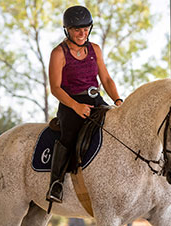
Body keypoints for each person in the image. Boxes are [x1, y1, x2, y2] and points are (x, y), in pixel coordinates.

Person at [46, 5, 123, 204]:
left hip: (96, 99)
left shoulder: (94, 49)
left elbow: (105, 79)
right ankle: (56, 183)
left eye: (86, 29)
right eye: (77, 30)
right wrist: (75, 106)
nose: (82, 33)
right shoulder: (58, 53)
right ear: (67, 30)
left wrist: (118, 101)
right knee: (69, 136)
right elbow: (55, 88)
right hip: (70, 102)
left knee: (118, 126)